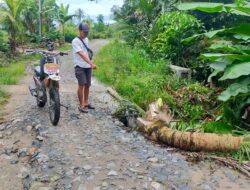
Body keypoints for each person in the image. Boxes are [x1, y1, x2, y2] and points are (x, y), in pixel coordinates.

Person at [72, 23, 97, 113]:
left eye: (87, 32)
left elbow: (86, 52)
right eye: (84, 32)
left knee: (87, 85)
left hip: (87, 66)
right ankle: (81, 105)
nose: (86, 34)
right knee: (81, 85)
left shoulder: (86, 39)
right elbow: (82, 54)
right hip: (79, 66)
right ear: (80, 31)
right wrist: (91, 63)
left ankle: (86, 103)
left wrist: (89, 64)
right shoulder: (75, 41)